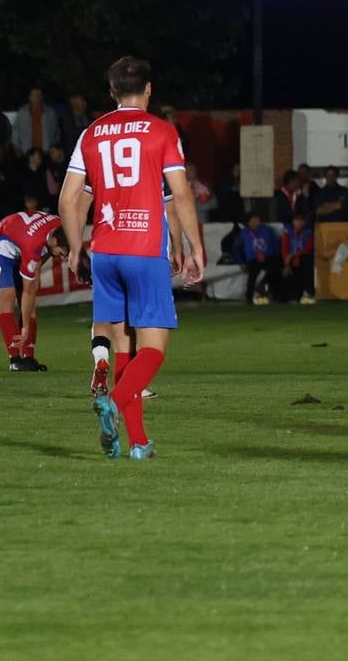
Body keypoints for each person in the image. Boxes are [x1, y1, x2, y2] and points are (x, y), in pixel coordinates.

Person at [59, 55, 206, 459]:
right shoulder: (161, 132)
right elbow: (180, 194)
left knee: (122, 346)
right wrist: (194, 247)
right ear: (149, 89)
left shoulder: (91, 133)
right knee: (153, 347)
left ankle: (138, 443)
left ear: (111, 92)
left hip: (105, 252)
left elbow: (68, 198)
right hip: (144, 249)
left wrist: (75, 247)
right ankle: (115, 402)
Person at [0, 203, 69, 370]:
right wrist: (25, 328)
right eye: (61, 254)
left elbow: (44, 256)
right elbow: (29, 292)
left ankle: (29, 357)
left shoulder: (60, 229)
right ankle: (15, 359)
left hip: (19, 244)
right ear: (53, 241)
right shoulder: (34, 244)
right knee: (7, 298)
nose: (63, 259)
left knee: (28, 304)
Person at [236, 212, 285, 303]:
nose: (256, 221)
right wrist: (241, 262)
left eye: (257, 219)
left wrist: (275, 255)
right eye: (253, 219)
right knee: (252, 275)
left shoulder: (267, 229)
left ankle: (276, 295)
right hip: (253, 259)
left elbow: (275, 243)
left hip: (268, 257)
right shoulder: (243, 233)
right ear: (248, 222)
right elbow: (236, 248)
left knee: (275, 270)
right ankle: (249, 298)